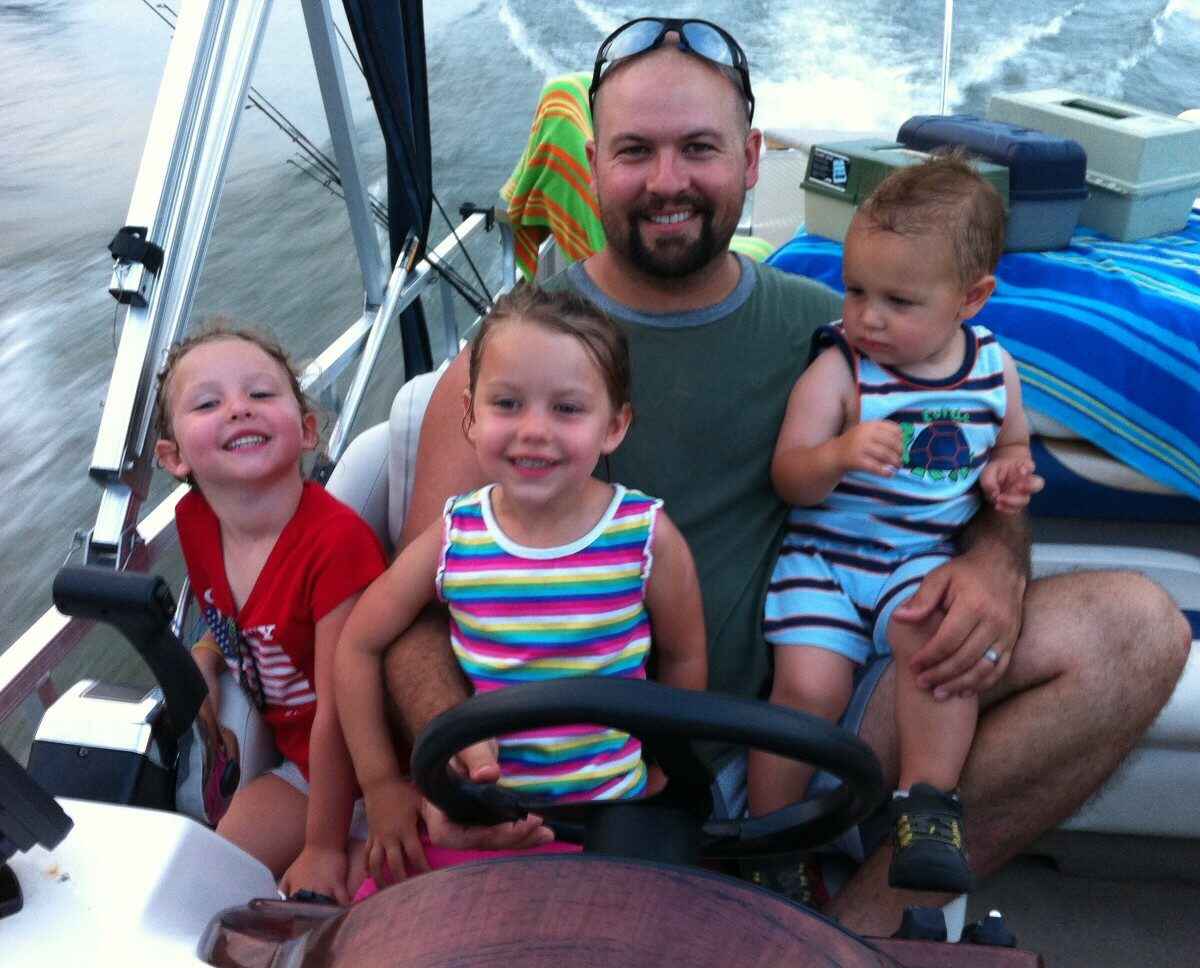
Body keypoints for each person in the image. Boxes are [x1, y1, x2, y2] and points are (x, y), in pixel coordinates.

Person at [383, 17, 1191, 935]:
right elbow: (416, 606)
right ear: (595, 162)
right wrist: (447, 761)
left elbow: (961, 463)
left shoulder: (839, 329)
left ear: (753, 157)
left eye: (699, 148)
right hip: (576, 754)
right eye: (635, 151)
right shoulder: (509, 361)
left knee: (1135, 631)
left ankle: (847, 926)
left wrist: (996, 562)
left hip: (823, 709)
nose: (668, 182)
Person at [335, 285, 707, 887]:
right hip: (484, 816)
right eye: (508, 404)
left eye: (567, 409)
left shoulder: (647, 537)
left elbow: (686, 654)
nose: (534, 430)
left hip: (612, 817)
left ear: (614, 426)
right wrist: (380, 784)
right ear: (469, 417)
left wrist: (671, 763)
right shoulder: (454, 535)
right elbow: (358, 643)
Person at [751, 156, 1036, 896]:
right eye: (854, 291)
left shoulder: (992, 368)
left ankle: (927, 805)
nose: (867, 316)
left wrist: (1007, 477)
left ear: (971, 299)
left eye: (898, 301)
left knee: (939, 647)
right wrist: (840, 452)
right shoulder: (842, 369)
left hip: (921, 557)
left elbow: (1009, 445)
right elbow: (790, 475)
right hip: (825, 561)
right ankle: (766, 838)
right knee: (808, 688)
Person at [154, 325, 387, 905]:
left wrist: (325, 848)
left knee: (345, 904)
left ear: (307, 429)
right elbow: (230, 614)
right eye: (208, 403)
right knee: (207, 887)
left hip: (379, 766)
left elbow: (342, 707)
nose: (238, 410)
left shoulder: (336, 544)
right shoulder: (197, 524)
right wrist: (207, 654)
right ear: (174, 457)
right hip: (303, 769)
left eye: (260, 395)